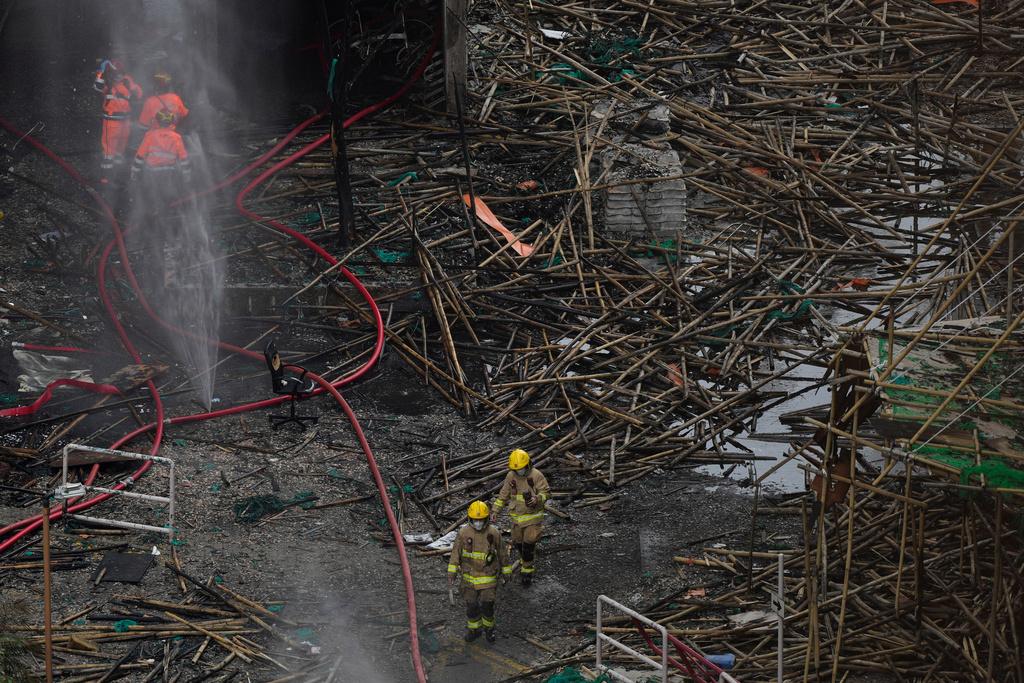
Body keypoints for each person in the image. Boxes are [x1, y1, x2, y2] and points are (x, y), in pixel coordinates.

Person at [131, 109, 191, 285]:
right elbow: (184, 160)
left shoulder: (150, 135)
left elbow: (139, 157)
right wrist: (187, 179)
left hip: (152, 175)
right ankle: (166, 224)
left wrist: (134, 175)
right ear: (171, 121)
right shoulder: (176, 137)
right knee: (167, 201)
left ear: (157, 120)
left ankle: (151, 225)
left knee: (152, 200)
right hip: (169, 175)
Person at [448, 501, 511, 643]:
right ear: (470, 519)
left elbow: (502, 553)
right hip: (468, 578)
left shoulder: (493, 533)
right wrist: (451, 573)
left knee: (487, 605)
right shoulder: (463, 533)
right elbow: (455, 554)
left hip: (487, 577)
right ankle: (474, 630)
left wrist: (507, 572)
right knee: (471, 606)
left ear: (486, 518)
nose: (478, 523)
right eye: (475, 520)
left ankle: (489, 629)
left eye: (481, 520)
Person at [491, 449, 550, 586]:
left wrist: (537, 499)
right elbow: (503, 495)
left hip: (533, 516)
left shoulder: (536, 475)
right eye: (516, 470)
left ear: (528, 464)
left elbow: (546, 493)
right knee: (518, 542)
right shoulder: (511, 476)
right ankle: (525, 559)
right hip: (517, 518)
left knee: (529, 542)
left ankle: (527, 571)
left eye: (521, 469)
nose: (519, 472)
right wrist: (495, 511)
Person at [93, 59, 143, 184]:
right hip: (117, 121)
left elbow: (138, 94)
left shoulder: (123, 81)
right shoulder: (111, 82)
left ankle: (113, 175)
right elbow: (97, 87)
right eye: (116, 73)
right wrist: (101, 72)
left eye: (120, 73)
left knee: (116, 150)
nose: (118, 76)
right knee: (113, 151)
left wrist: (101, 72)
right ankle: (111, 176)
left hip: (120, 121)